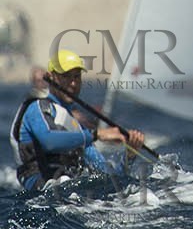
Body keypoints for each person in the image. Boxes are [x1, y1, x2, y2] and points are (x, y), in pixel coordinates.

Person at [10, 50, 144, 192]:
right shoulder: (35, 108)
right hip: (37, 189)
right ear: (51, 77)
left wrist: (129, 156)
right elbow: (48, 141)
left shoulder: (76, 126)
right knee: (65, 183)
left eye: (76, 77)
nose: (73, 83)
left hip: (69, 192)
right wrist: (96, 134)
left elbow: (107, 174)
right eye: (66, 77)